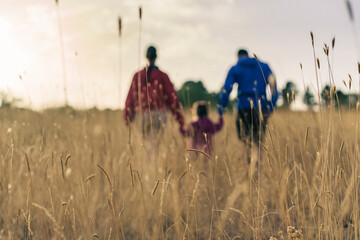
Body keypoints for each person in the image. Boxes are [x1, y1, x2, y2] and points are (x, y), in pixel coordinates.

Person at [217, 49, 278, 147]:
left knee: (245, 142)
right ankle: (257, 162)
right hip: (261, 108)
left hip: (242, 108)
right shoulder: (264, 66)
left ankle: (248, 161)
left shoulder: (235, 68)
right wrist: (271, 106)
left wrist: (221, 109)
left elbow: (227, 89)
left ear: (238, 57)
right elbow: (273, 85)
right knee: (259, 143)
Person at [124, 45, 185, 137]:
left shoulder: (137, 76)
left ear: (146, 56)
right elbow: (172, 98)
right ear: (156, 56)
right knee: (155, 145)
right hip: (158, 115)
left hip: (141, 115)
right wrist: (180, 120)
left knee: (145, 146)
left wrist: (127, 117)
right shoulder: (162, 75)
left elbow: (130, 99)